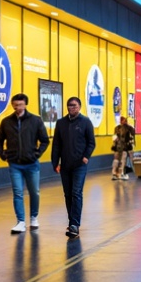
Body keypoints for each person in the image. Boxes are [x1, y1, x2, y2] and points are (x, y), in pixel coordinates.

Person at [0, 93, 50, 234]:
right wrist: (3, 155)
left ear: (25, 104)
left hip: (32, 163)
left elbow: (45, 140)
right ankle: (20, 221)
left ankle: (33, 217)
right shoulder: (6, 122)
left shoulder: (36, 121)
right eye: (15, 104)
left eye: (20, 104)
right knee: (18, 192)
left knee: (34, 192)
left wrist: (36, 154)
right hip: (14, 163)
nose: (17, 107)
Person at [52, 97, 96, 239]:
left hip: (79, 165)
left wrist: (86, 156)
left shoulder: (86, 122)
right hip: (65, 165)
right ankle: (72, 221)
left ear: (80, 107)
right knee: (68, 194)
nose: (72, 108)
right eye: (70, 106)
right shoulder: (61, 123)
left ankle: (75, 225)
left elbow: (91, 142)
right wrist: (55, 162)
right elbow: (56, 145)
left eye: (75, 106)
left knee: (76, 192)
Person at [111, 115, 135, 180]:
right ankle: (121, 173)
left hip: (117, 147)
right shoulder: (127, 128)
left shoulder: (116, 128)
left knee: (116, 160)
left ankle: (114, 173)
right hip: (124, 147)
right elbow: (132, 133)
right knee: (123, 160)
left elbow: (114, 138)